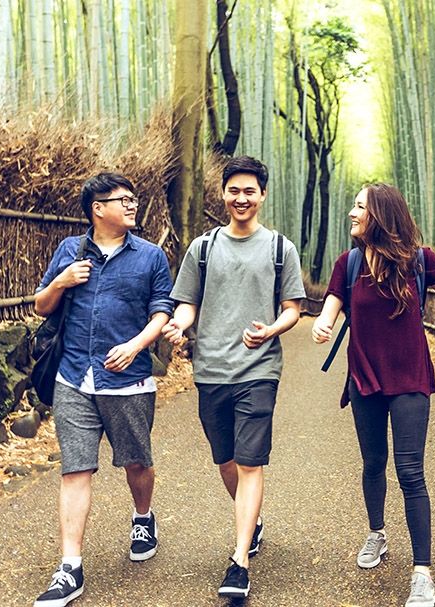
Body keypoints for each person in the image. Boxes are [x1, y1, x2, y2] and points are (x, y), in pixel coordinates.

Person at [312, 183, 435, 607]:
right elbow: (333, 302)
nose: (352, 213)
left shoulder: (419, 262)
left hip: (409, 379)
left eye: (360, 207)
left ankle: (423, 573)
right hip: (365, 377)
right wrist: (322, 324)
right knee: (372, 463)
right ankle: (377, 533)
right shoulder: (347, 264)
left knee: (410, 472)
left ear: (380, 215)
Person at [162, 155, 306, 599]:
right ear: (223, 194)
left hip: (259, 370)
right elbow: (187, 301)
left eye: (250, 191)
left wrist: (271, 330)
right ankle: (254, 521)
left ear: (262, 195)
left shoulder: (281, 248)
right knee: (225, 459)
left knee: (249, 462)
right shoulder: (202, 248)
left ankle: (239, 560)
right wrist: (180, 323)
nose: (241, 198)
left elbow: (293, 309)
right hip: (211, 370)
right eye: (234, 190)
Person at [33, 173, 174, 607]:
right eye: (123, 200)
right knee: (76, 469)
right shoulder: (69, 252)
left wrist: (135, 347)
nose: (132, 205)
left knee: (136, 462)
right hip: (73, 377)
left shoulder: (150, 257)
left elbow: (161, 311)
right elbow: (40, 305)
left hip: (127, 381)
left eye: (134, 198)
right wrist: (61, 282)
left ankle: (143, 517)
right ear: (98, 209)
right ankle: (70, 567)